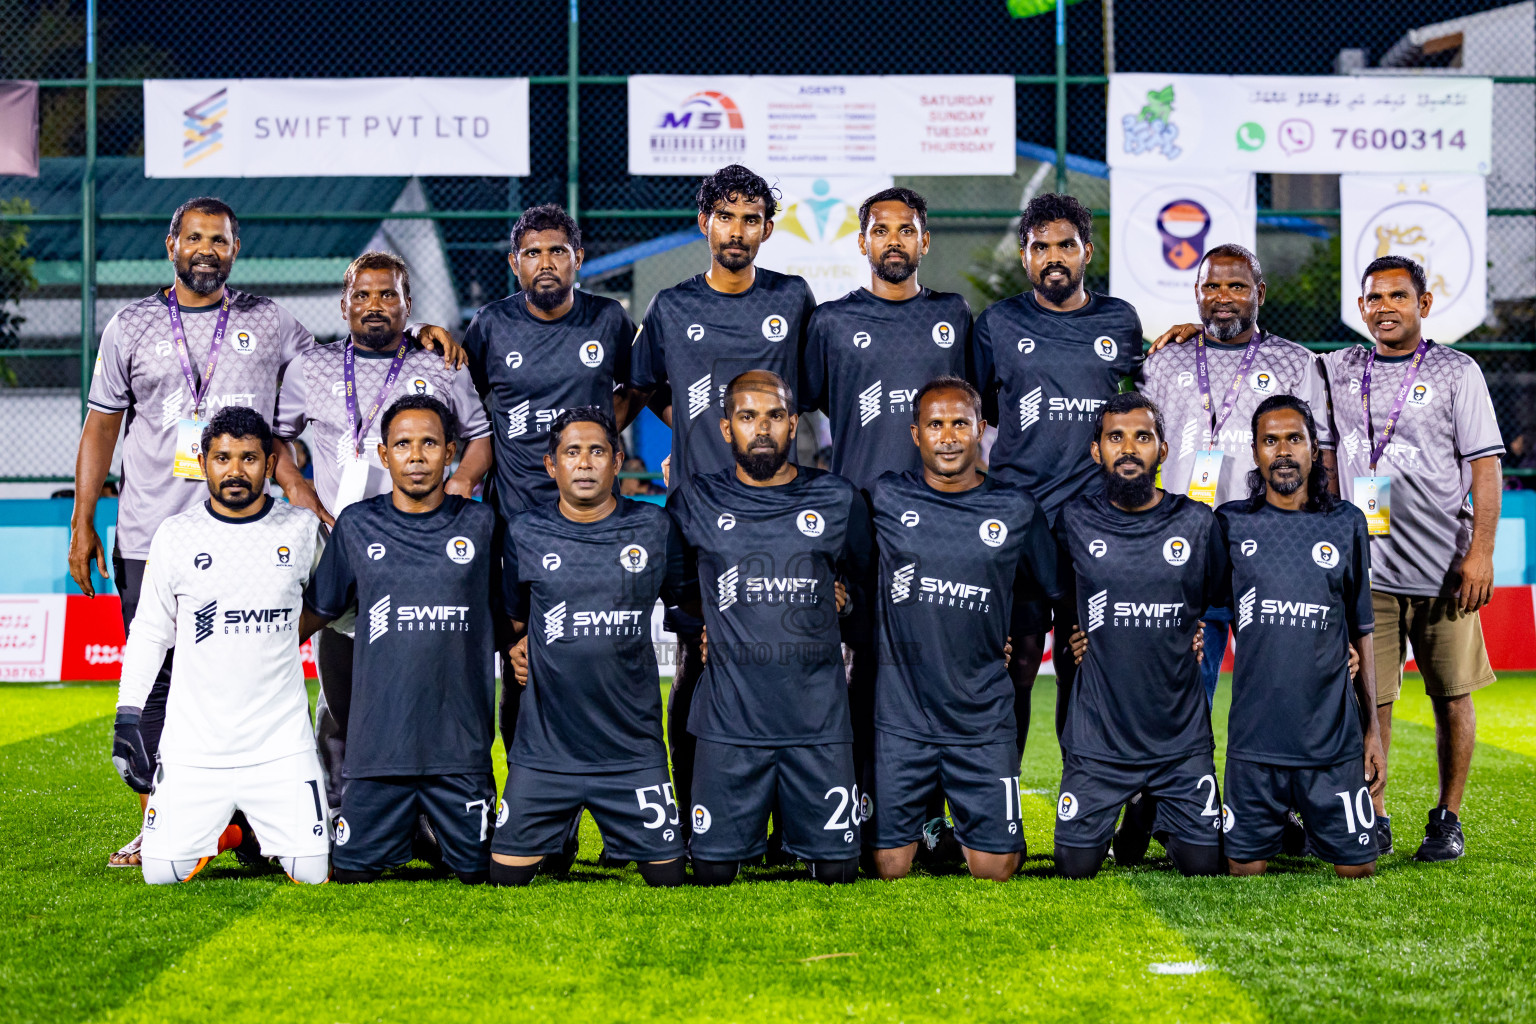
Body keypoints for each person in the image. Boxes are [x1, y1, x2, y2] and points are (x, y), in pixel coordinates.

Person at [71, 196, 460, 867]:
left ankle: (250, 823)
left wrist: (416, 332)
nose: (205, 250)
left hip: (250, 534)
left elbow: (351, 362)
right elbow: (101, 427)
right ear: (171, 246)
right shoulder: (129, 326)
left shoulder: (272, 322)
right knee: (160, 680)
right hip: (148, 532)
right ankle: (162, 825)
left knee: (254, 672)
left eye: (218, 240)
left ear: (235, 249)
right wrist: (83, 522)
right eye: (193, 238)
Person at [630, 165, 818, 844]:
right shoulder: (671, 307)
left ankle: (784, 820)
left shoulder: (794, 299)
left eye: (751, 218)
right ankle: (692, 812)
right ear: (703, 221)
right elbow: (649, 386)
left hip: (777, 512)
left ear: (768, 228)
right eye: (725, 216)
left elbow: (814, 389)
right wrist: (691, 431)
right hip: (698, 517)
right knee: (697, 661)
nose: (737, 231)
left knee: (779, 660)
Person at [273, 251, 491, 815]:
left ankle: (433, 810)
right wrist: (296, 484)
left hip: (422, 544)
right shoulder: (312, 367)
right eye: (363, 296)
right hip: (338, 543)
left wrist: (463, 483)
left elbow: (479, 436)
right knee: (342, 684)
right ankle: (343, 808)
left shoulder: (441, 364)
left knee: (423, 673)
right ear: (344, 304)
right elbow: (275, 438)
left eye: (388, 294)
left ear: (408, 304)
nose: (375, 305)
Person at [801, 186, 975, 863]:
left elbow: (976, 411)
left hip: (943, 526)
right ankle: (866, 805)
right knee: (865, 669)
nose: (895, 241)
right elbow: (796, 408)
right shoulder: (832, 324)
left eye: (908, 230)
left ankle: (938, 818)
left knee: (938, 668)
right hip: (862, 526)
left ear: (925, 242)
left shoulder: (953, 317)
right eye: (882, 230)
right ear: (862, 242)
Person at [1320, 255, 1503, 862]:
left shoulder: (1457, 371)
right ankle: (1374, 815)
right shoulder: (1338, 370)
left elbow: (1485, 466)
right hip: (1365, 572)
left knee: (1452, 694)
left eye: (1398, 297)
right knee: (1371, 698)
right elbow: (1260, 351)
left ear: (1423, 305)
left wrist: (1480, 555)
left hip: (1444, 570)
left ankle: (1447, 818)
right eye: (1373, 298)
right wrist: (1185, 330)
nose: (1384, 308)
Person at [667, 371, 870, 885]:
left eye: (775, 416)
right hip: (731, 723)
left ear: (793, 423)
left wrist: (845, 608)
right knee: (712, 871)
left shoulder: (838, 498)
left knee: (839, 870)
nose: (762, 428)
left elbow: (872, 591)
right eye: (748, 416)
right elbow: (673, 583)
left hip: (817, 723)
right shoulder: (695, 499)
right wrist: (700, 626)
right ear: (725, 428)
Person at [111, 406, 329, 884]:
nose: (235, 471)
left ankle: (246, 829)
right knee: (160, 874)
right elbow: (149, 631)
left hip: (280, 744)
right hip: (195, 748)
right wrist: (127, 716)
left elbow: (341, 611)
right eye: (223, 458)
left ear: (269, 466)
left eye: (249, 458)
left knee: (312, 872)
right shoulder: (175, 535)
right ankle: (227, 833)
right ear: (203, 462)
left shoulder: (301, 529)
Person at [490, 408, 698, 887]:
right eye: (572, 452)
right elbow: (513, 619)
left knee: (668, 878)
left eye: (597, 451)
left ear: (618, 461)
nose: (585, 463)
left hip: (631, 749)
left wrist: (710, 631)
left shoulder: (654, 528)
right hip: (546, 750)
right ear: (551, 466)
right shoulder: (524, 531)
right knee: (504, 877)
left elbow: (688, 603)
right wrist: (513, 645)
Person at [970, 192, 1144, 756]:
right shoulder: (997, 323)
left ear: (1086, 251)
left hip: (1091, 524)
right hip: (1017, 522)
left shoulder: (1119, 320)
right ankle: (1002, 801)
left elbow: (1141, 399)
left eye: (1065, 245)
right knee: (1015, 664)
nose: (1053, 257)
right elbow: (983, 411)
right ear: (1024, 257)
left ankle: (1081, 806)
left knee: (1082, 663)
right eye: (1039, 246)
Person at [866, 376, 1058, 882]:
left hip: (981, 716)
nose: (948, 436)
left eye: (959, 423)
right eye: (935, 425)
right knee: (888, 868)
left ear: (981, 430)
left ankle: (957, 824)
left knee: (996, 870)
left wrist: (1022, 636)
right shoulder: (885, 497)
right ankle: (930, 821)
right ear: (916, 435)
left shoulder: (1015, 508)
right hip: (903, 717)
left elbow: (1052, 587)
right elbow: (846, 571)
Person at [302, 395, 499, 885]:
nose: (417, 455)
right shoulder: (357, 525)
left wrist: (520, 645)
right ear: (383, 454)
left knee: (480, 873)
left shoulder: (483, 524)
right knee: (350, 873)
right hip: (377, 756)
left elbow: (514, 609)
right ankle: (405, 829)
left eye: (430, 443)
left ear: (450, 451)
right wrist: (253, 644)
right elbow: (317, 611)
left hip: (460, 752)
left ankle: (426, 833)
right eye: (403, 444)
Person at [1139, 244, 1332, 706]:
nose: (1222, 295)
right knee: (1183, 687)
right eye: (1212, 286)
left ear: (1259, 293)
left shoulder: (1296, 362)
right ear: (1197, 292)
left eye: (1236, 286)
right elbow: (1138, 449)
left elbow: (1318, 456)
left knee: (1276, 686)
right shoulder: (1164, 359)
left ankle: (1266, 776)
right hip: (1182, 543)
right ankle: (1186, 779)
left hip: (1269, 546)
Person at [1050, 393, 1226, 879]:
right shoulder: (1074, 520)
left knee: (1204, 865)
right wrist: (1074, 632)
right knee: (1074, 867)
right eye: (1115, 437)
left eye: (1142, 437)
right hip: (1100, 741)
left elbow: (1214, 598)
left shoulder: (1196, 522)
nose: (1128, 448)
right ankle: (1131, 803)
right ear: (1096, 451)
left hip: (1179, 739)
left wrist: (1196, 629)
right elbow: (1062, 593)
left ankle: (1155, 806)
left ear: (1162, 450)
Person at [1217, 396, 1384, 878]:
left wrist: (1371, 729)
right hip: (1255, 744)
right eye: (1271, 440)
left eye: (1295, 439)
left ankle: (1309, 820)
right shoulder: (1230, 524)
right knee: (1243, 869)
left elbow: (1363, 630)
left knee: (1358, 870)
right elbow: (1194, 606)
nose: (1283, 451)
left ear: (1315, 449)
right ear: (1255, 452)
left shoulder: (1347, 522)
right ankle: (1285, 824)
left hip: (1331, 745)